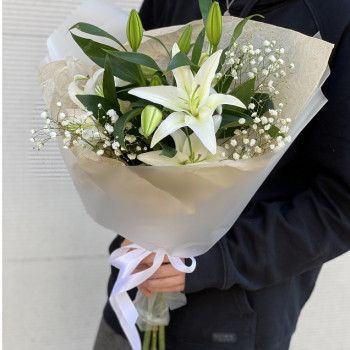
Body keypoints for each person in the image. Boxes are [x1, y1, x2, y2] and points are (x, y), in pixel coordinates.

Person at [93, 0, 350, 349]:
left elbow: (340, 205)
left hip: (233, 317)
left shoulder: (337, 14)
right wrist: (140, 217)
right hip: (134, 285)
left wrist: (211, 261)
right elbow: (127, 107)